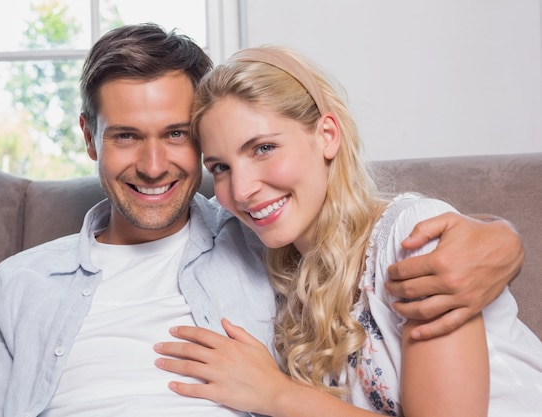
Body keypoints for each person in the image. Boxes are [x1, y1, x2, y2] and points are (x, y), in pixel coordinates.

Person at [0, 24, 524, 416]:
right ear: (90, 138)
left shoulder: (257, 244)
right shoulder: (17, 284)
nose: (153, 166)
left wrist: (500, 239)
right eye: (126, 135)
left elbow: (393, 232)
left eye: (176, 135)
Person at [153, 45, 542, 417]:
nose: (240, 190)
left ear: (327, 136)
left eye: (263, 148)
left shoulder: (412, 239)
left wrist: (275, 393)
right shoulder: (284, 275)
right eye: (220, 167)